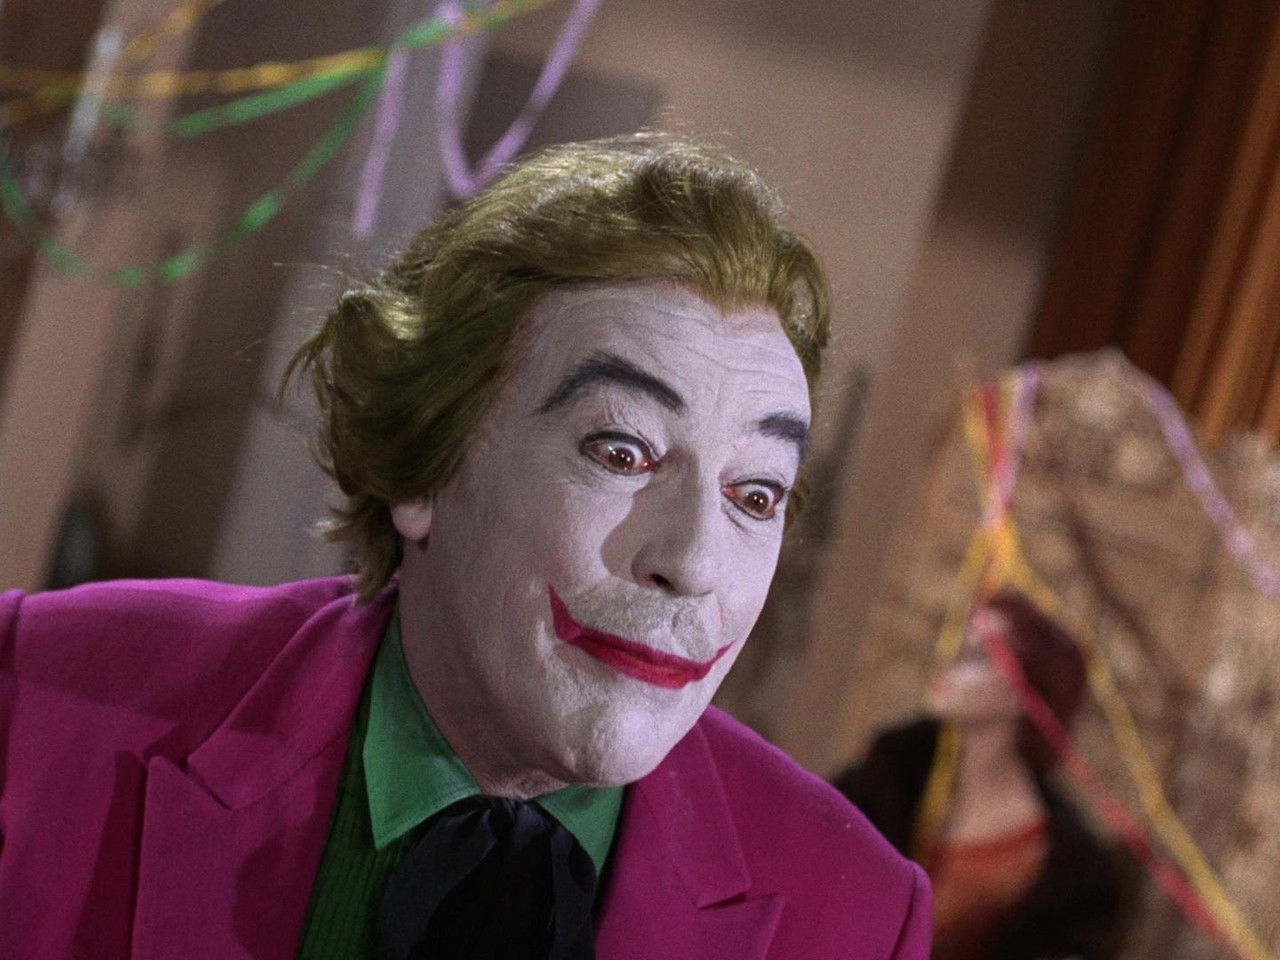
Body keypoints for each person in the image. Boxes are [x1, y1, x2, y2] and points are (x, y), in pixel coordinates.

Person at [0, 133, 930, 959]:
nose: (691, 563)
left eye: (755, 495)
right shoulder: (36, 690)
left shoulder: (856, 917)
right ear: (426, 466)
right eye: (621, 452)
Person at [835, 590, 1125, 960]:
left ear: (1023, 695)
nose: (950, 663)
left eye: (976, 656)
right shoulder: (891, 774)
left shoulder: (1065, 869)